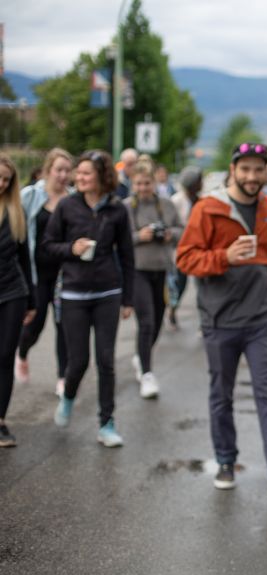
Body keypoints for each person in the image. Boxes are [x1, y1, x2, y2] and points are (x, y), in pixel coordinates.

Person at [176, 142, 267, 499]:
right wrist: (225, 257)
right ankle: (224, 460)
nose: (252, 176)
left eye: (258, 169)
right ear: (232, 170)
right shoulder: (209, 209)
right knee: (222, 394)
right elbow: (185, 259)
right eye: (245, 169)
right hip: (220, 320)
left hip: (263, 319)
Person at [43, 150, 134, 448]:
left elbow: (127, 256)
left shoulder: (118, 210)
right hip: (73, 293)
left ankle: (107, 423)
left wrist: (127, 299)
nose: (78, 178)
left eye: (85, 173)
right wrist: (72, 248)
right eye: (77, 173)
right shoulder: (67, 206)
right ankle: (68, 396)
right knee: (78, 360)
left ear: (101, 177)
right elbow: (48, 245)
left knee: (106, 360)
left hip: (108, 292)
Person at [16, 148, 73, 396]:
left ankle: (63, 377)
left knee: (64, 326)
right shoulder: (30, 195)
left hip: (63, 274)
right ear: (48, 170)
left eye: (66, 170)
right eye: (58, 169)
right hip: (36, 272)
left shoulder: (72, 200)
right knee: (34, 324)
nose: (63, 175)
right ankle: (22, 352)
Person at [126, 159, 183, 399]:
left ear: (154, 182)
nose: (142, 188)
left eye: (146, 183)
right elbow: (119, 240)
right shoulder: (126, 207)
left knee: (158, 320)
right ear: (132, 183)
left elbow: (182, 230)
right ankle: (147, 373)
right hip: (137, 270)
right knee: (146, 320)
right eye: (138, 183)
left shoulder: (167, 205)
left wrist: (170, 234)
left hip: (162, 269)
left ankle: (142, 355)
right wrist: (141, 235)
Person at [0, 153, 36, 447]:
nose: (1, 184)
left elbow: (25, 258)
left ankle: (0, 420)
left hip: (13, 291)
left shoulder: (15, 211)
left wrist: (32, 300)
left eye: (6, 180)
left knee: (3, 356)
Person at [167, 166, 203, 329]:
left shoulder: (200, 200)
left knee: (202, 285)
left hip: (199, 249)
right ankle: (173, 310)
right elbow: (172, 226)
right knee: (179, 284)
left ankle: (205, 317)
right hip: (180, 249)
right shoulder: (177, 201)